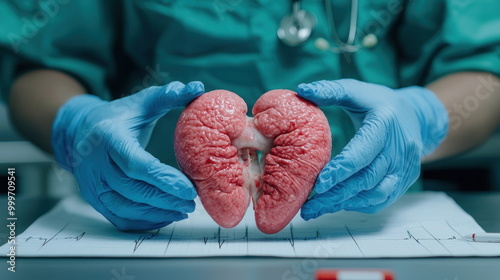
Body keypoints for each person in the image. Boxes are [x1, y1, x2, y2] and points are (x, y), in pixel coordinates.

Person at [1, 1, 499, 230]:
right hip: (155, 222)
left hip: (373, 222)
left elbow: (484, 67)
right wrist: (76, 125)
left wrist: (423, 116)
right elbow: (37, 64)